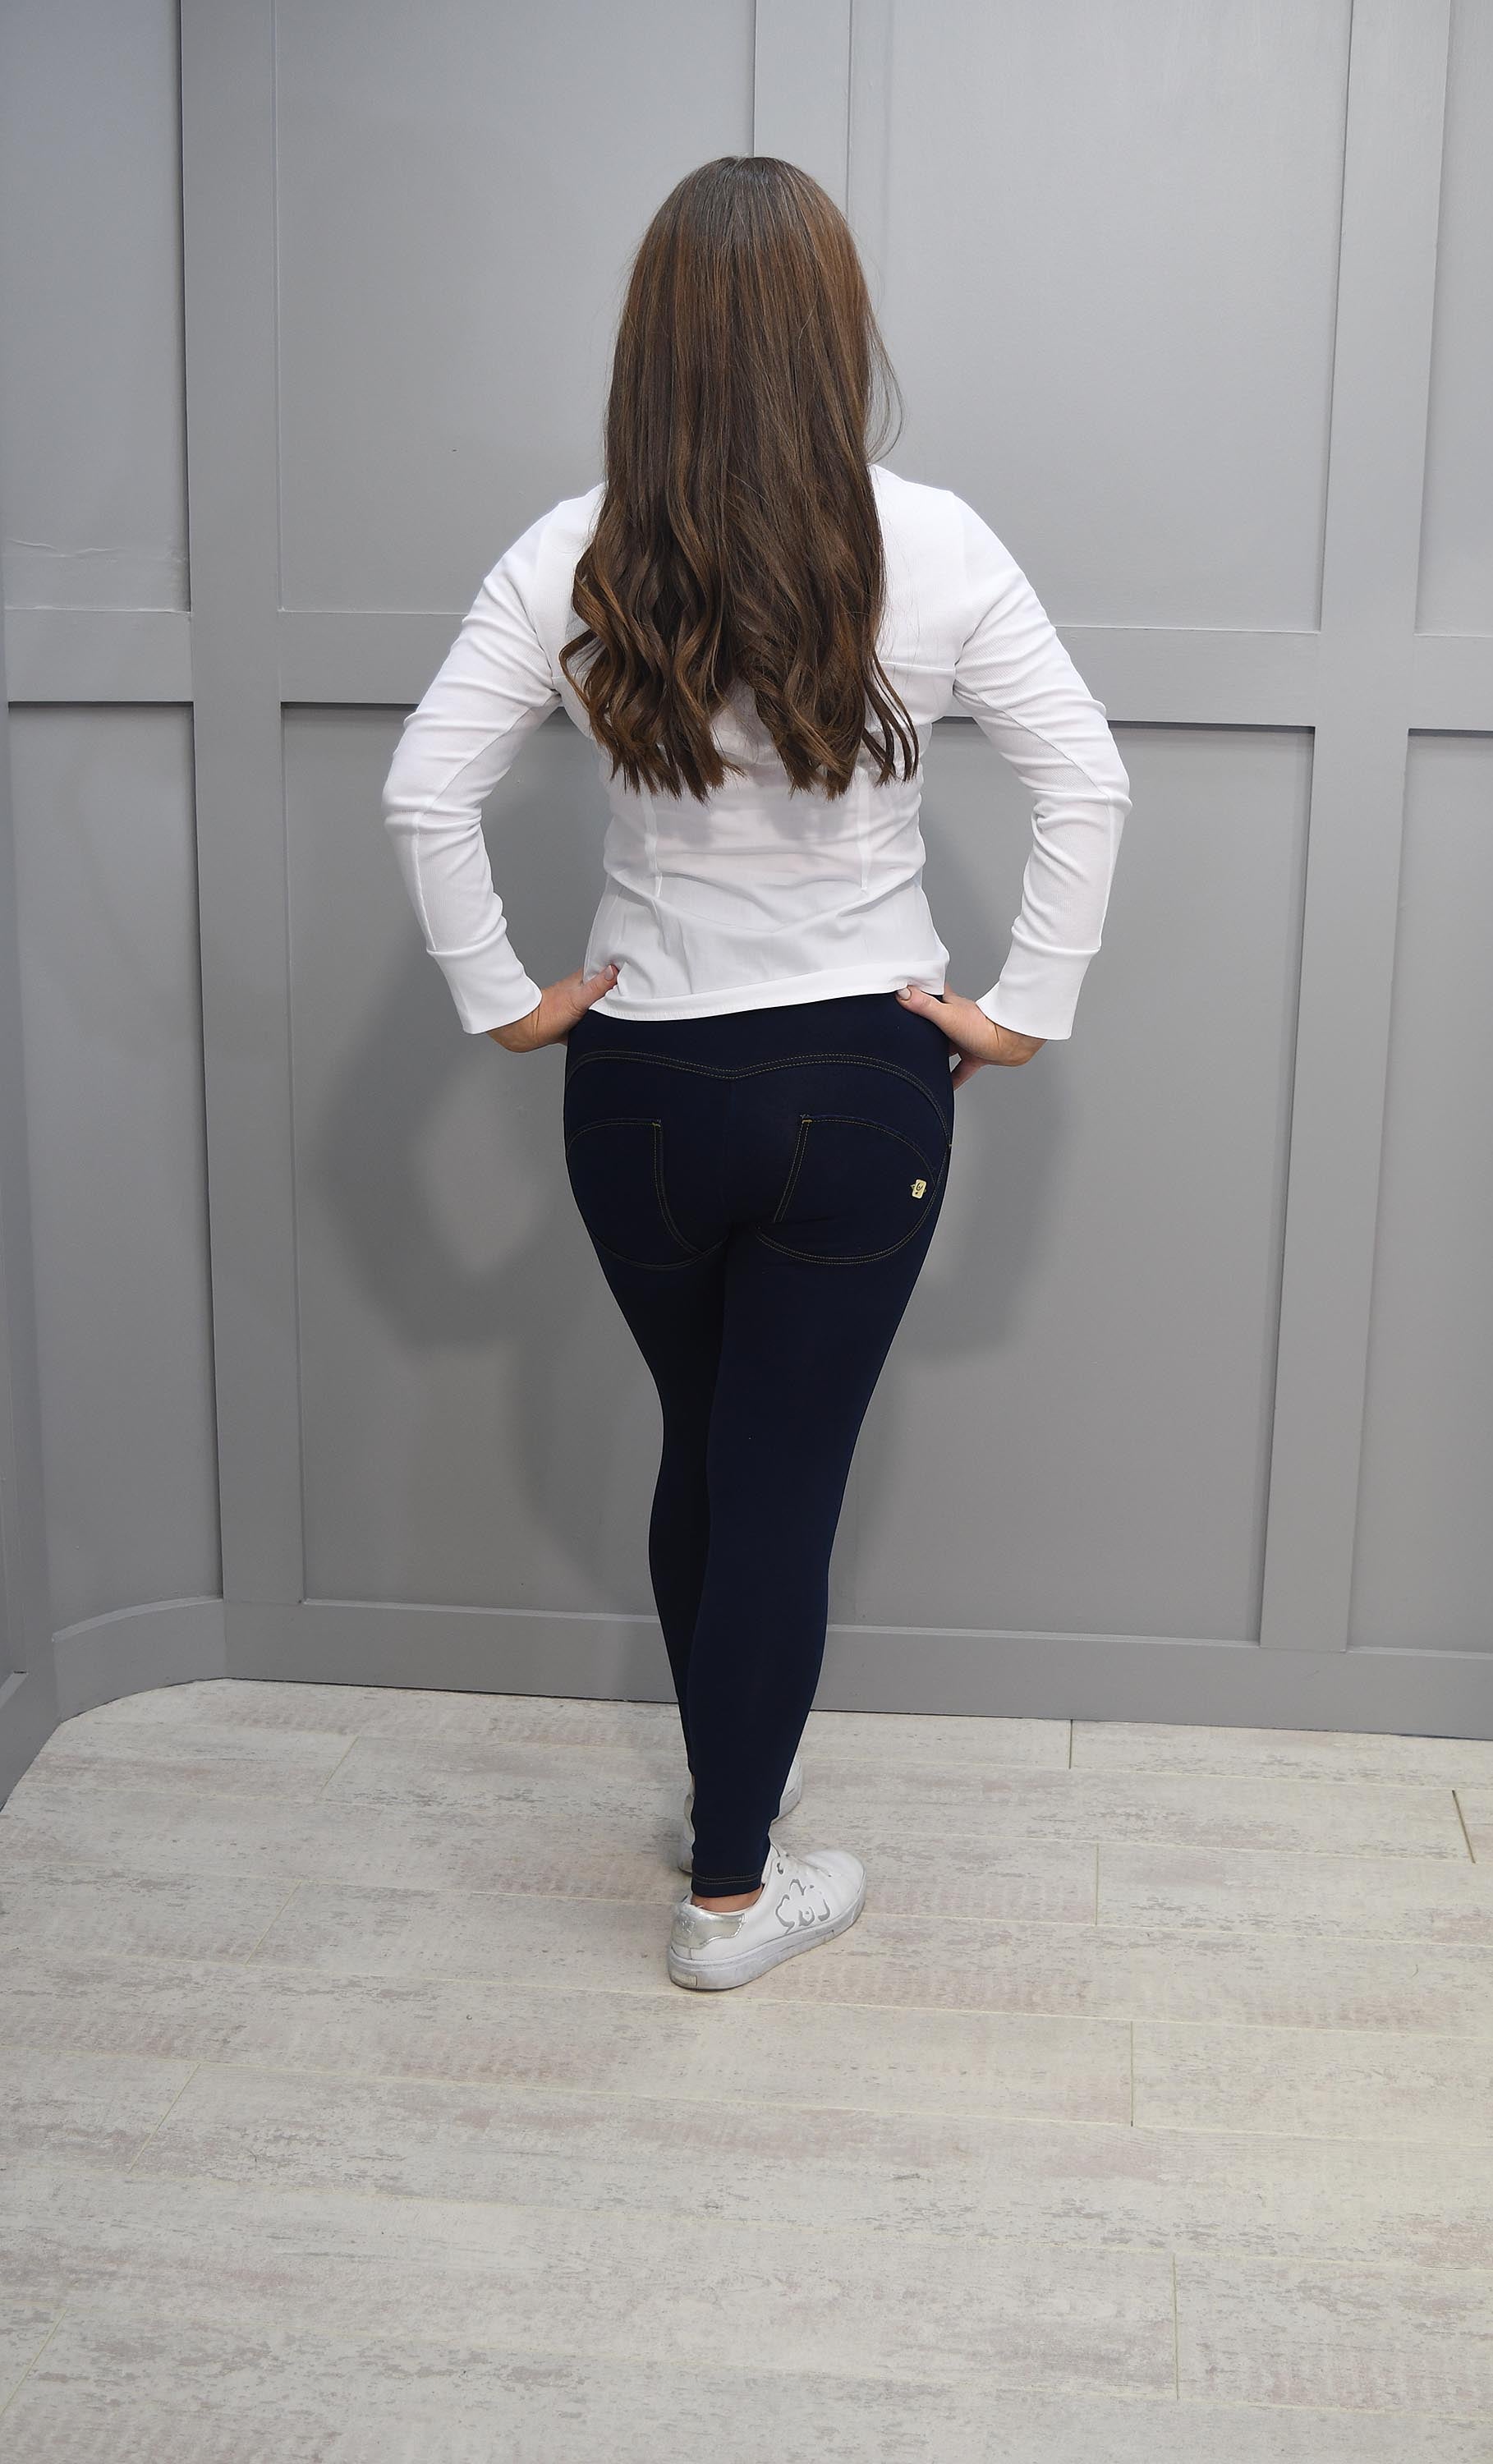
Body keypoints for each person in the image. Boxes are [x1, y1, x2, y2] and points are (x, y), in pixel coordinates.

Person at [380, 155, 1131, 1993]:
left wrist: (509, 1004)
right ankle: (730, 1895)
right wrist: (1024, 1010)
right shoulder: (935, 541)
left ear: (652, 344)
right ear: (834, 335)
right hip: (860, 1085)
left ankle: (737, 1788)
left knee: (709, 1446)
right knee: (778, 1476)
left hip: (638, 1089)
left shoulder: (572, 551)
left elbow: (422, 793)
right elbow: (1087, 781)